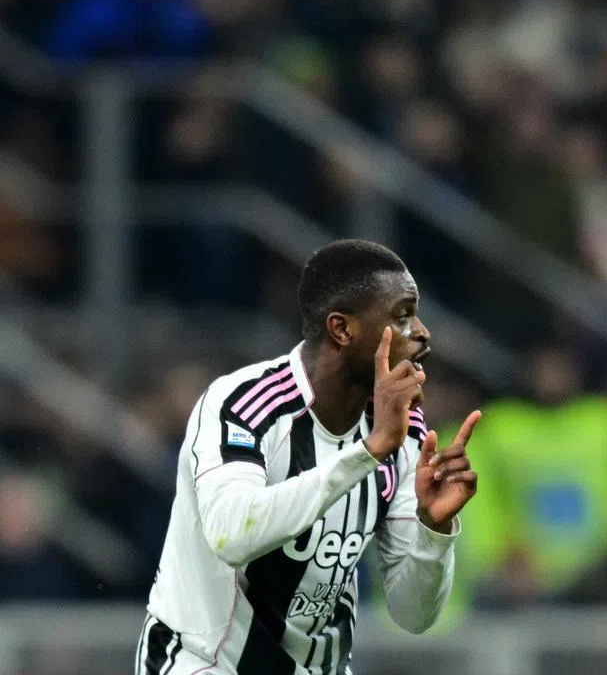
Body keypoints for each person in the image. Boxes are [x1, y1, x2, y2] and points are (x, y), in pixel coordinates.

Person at [136, 239, 481, 674]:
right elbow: (230, 534)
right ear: (342, 329)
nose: (423, 332)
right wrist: (366, 454)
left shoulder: (403, 431)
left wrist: (434, 531)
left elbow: (414, 616)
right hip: (205, 663)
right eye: (403, 314)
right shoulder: (244, 404)